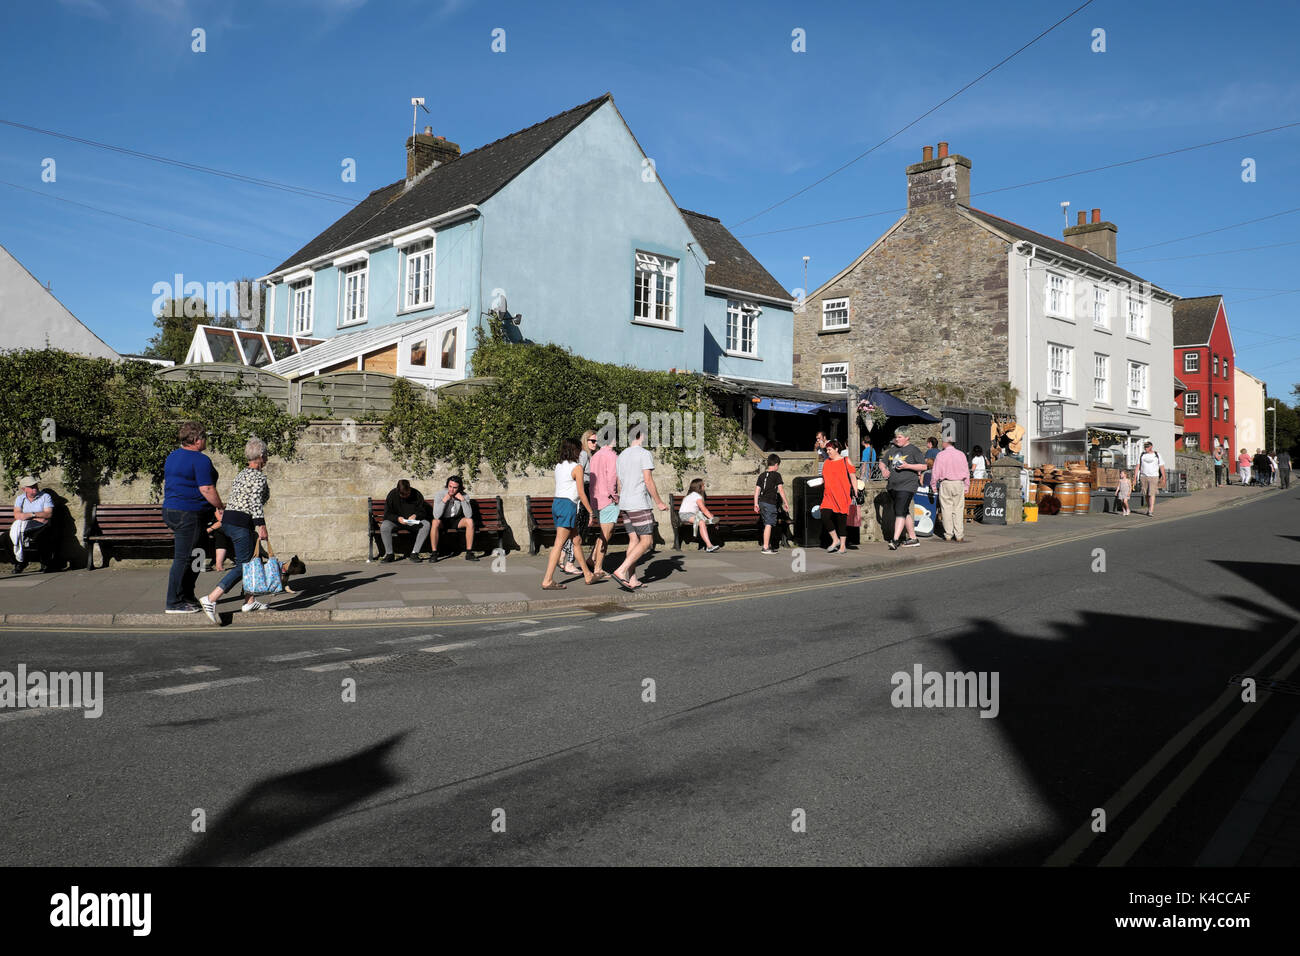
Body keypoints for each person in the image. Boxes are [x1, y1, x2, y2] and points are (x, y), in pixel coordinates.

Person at [199, 437, 273, 623]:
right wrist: (261, 526)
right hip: (241, 524)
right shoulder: (258, 476)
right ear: (261, 456)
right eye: (266, 455)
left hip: (230, 522)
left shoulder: (241, 473)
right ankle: (211, 598)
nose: (267, 458)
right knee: (244, 566)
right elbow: (256, 502)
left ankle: (249, 601)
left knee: (250, 561)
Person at [162, 421, 224, 613]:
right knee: (183, 558)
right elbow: (206, 488)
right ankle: (174, 602)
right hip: (188, 514)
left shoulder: (172, 456)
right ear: (197, 440)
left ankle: (187, 595)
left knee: (198, 555)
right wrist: (220, 507)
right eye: (205, 437)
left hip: (173, 511)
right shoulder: (200, 460)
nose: (206, 440)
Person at [611, 428, 667, 592]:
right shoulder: (644, 454)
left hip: (625, 504)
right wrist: (659, 502)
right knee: (647, 541)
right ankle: (621, 570)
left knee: (634, 541)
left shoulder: (621, 455)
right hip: (639, 503)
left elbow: (619, 481)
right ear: (641, 435)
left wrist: (622, 498)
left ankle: (632, 578)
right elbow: (648, 480)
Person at [541, 438, 598, 590]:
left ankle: (588, 575)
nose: (580, 453)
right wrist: (591, 511)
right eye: (579, 450)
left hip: (557, 503)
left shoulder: (559, 466)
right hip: (568, 505)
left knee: (577, 540)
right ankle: (547, 580)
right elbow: (581, 492)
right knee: (558, 544)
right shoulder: (577, 468)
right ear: (575, 450)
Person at [881, 426, 927, 550]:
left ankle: (895, 540)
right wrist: (884, 469)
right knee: (904, 511)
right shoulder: (892, 449)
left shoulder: (914, 450)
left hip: (907, 486)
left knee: (900, 511)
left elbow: (923, 466)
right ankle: (913, 539)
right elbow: (882, 462)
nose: (897, 439)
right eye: (896, 437)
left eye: (900, 437)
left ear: (907, 438)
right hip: (893, 486)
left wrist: (907, 466)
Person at [561, 429, 598, 573]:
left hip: (585, 491)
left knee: (575, 530)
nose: (595, 444)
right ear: (585, 440)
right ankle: (569, 562)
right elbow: (579, 475)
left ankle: (563, 556)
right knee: (579, 530)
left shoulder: (586, 454)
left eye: (596, 441)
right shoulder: (583, 454)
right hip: (583, 493)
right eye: (592, 441)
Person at [587, 436, 619, 574]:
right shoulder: (612, 456)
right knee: (606, 535)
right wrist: (615, 496)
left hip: (596, 499)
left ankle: (592, 558)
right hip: (608, 499)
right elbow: (612, 478)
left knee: (604, 532)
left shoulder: (595, 456)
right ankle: (598, 568)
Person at [380, 479, 432, 562]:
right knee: (385, 526)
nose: (406, 496)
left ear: (410, 489)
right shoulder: (392, 495)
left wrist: (415, 515)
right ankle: (389, 554)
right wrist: (397, 518)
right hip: (397, 522)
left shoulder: (417, 494)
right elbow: (387, 514)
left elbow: (423, 511)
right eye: (403, 495)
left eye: (408, 493)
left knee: (426, 525)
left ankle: (415, 553)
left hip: (413, 522)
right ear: (398, 491)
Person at [931, 435, 971, 543]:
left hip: (946, 483)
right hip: (959, 483)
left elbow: (935, 472)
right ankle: (959, 535)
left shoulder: (940, 455)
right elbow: (966, 471)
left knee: (946, 509)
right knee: (958, 509)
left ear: (945, 443)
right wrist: (967, 485)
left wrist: (933, 486)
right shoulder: (961, 454)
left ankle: (948, 534)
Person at [10, 476, 53, 574]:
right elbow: (17, 515)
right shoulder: (20, 499)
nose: (35, 487)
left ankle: (45, 563)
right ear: (24, 489)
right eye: (31, 486)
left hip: (41, 525)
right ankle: (19, 562)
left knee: (41, 536)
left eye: (35, 485)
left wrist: (30, 514)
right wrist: (36, 515)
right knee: (5, 538)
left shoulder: (45, 497)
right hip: (24, 525)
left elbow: (48, 514)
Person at [430, 475, 479, 562]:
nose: (451, 490)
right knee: (434, 522)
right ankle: (434, 553)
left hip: (457, 520)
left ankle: (469, 552)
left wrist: (462, 500)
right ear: (447, 486)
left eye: (455, 488)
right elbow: (436, 515)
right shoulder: (440, 494)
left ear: (459, 488)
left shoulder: (464, 495)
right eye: (450, 486)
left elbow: (468, 515)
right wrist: (445, 500)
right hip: (443, 520)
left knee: (470, 522)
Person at [819, 439, 854, 554]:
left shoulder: (845, 460)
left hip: (842, 494)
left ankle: (842, 546)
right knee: (824, 515)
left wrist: (855, 491)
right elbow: (824, 478)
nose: (828, 452)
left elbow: (852, 476)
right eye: (827, 450)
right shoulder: (827, 462)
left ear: (836, 449)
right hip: (828, 495)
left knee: (841, 520)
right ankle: (835, 539)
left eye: (829, 449)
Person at [754, 454, 789, 555]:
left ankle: (767, 544)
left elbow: (757, 490)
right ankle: (765, 547)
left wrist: (755, 503)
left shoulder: (761, 475)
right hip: (770, 503)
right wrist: (785, 502)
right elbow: (781, 490)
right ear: (776, 464)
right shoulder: (777, 475)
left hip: (761, 502)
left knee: (766, 523)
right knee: (769, 524)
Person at [678, 478, 721, 552]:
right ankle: (709, 546)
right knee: (701, 522)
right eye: (703, 485)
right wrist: (714, 521)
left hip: (691, 514)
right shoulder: (697, 496)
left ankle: (708, 521)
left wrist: (711, 516)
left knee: (702, 520)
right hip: (685, 515)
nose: (704, 487)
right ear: (700, 487)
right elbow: (704, 510)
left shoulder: (691, 495)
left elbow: (702, 510)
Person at [1133, 441, 1166, 516]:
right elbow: (1137, 466)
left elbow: (1162, 467)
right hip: (1143, 476)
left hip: (1154, 476)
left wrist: (1164, 478)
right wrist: (1134, 478)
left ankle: (1151, 510)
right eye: (1145, 447)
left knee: (1151, 493)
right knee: (1146, 494)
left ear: (1151, 447)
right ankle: (1149, 507)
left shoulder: (1157, 455)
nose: (1146, 448)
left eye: (1147, 447)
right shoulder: (1142, 455)